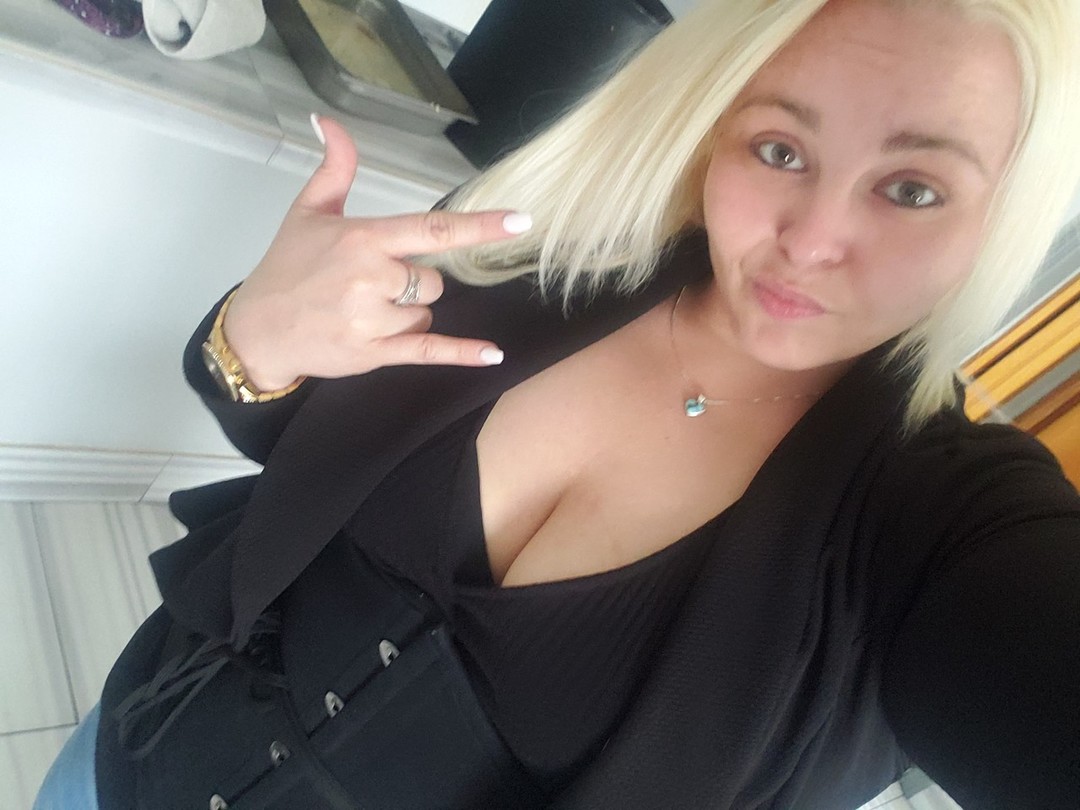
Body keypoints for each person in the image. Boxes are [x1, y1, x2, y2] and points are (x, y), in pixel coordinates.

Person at [34, 0, 1080, 808]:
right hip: (122, 753)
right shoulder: (556, 250)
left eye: (912, 189)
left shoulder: (945, 523)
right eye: (779, 149)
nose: (811, 241)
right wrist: (251, 338)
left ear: (1001, 217)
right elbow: (283, 441)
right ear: (716, 130)